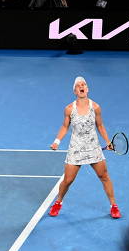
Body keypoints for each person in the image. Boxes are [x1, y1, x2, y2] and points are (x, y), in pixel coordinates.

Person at [49, 76, 121, 219]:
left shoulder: (95, 107)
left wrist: (108, 141)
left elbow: (100, 126)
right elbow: (65, 126)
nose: (81, 86)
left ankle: (114, 206)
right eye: (78, 85)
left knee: (104, 176)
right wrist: (57, 141)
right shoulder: (69, 109)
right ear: (75, 91)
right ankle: (58, 202)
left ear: (87, 89)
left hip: (93, 146)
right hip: (76, 148)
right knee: (68, 180)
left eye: (84, 84)